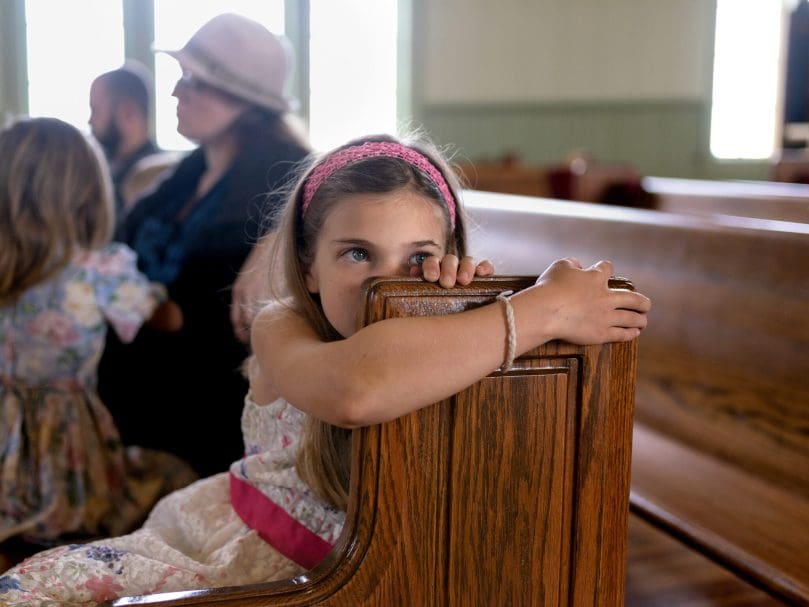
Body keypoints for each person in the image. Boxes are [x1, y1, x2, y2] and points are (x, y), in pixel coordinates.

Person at [0, 133, 650, 604]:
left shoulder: (465, 335)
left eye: (418, 257)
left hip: (384, 573)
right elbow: (354, 389)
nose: (385, 282)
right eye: (357, 253)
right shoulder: (281, 325)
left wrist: (470, 310)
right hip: (249, 548)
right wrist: (538, 310)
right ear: (309, 266)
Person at [97, 13, 312, 477]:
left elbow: (207, 312)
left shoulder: (284, 177)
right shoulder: (191, 170)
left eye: (194, 81)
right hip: (141, 382)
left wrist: (276, 237)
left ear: (243, 99)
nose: (176, 91)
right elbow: (120, 242)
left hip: (199, 406)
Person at [0, 117, 196, 553]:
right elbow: (167, 319)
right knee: (171, 477)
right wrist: (160, 293)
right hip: (65, 433)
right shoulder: (100, 268)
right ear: (88, 192)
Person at [89, 60, 163, 214]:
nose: (90, 121)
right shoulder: (99, 172)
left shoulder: (157, 180)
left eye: (95, 110)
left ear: (128, 112)